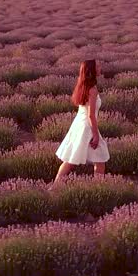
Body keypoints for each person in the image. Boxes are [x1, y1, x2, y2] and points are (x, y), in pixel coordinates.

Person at [51, 59, 109, 188]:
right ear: (91, 71)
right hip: (86, 127)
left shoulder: (82, 86)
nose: (100, 68)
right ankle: (98, 189)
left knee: (71, 159)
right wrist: (96, 135)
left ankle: (54, 187)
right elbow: (91, 115)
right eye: (97, 66)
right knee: (100, 158)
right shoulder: (92, 89)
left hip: (79, 125)